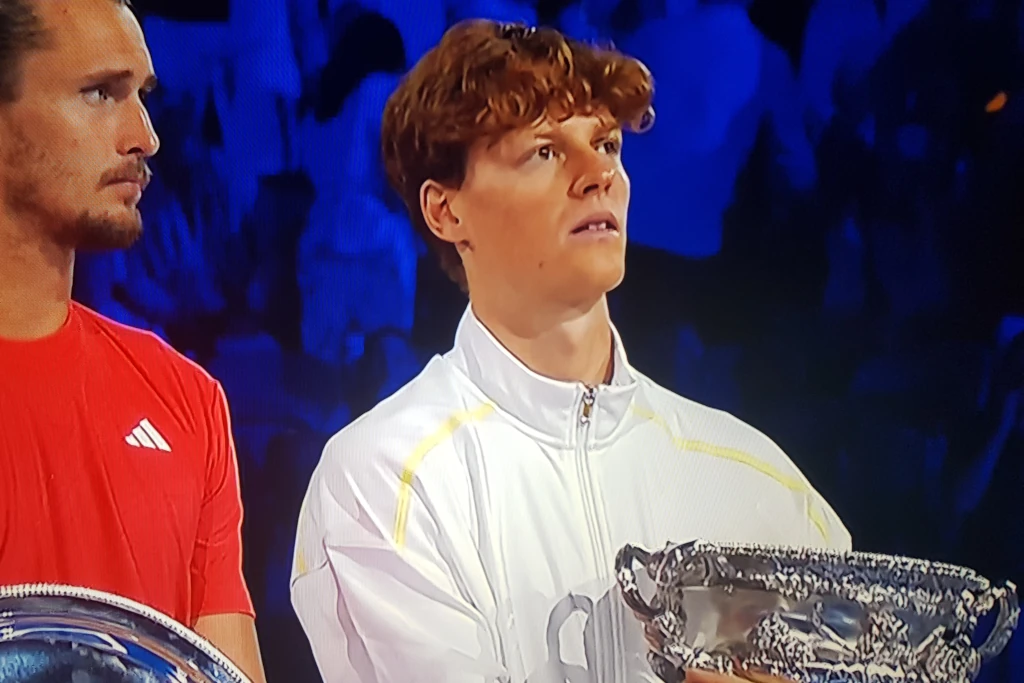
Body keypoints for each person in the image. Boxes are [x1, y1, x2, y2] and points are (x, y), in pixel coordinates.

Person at [290, 19, 850, 683]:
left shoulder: (761, 483)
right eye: (546, 152)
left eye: (607, 144)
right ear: (446, 211)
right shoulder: (386, 480)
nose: (599, 176)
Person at [0, 2, 266, 681]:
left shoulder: (186, 397)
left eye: (142, 97)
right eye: (99, 93)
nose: (144, 135)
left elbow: (224, 668)